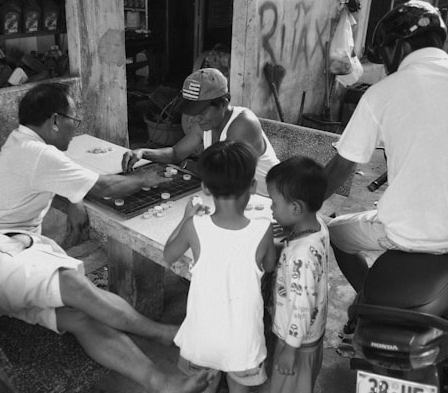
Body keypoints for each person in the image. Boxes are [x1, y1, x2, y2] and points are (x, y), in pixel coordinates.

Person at [0, 82, 213, 393]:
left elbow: (59, 178)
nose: (75, 128)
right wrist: (146, 179)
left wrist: (75, 200)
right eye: (74, 119)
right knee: (72, 282)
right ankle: (165, 334)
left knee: (80, 317)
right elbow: (107, 186)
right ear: (55, 120)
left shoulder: (23, 146)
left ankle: (162, 383)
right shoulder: (36, 153)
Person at [323, 0, 448, 296]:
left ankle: (367, 302)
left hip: (411, 235)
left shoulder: (380, 95)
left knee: (336, 233)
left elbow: (341, 167)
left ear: (397, 48)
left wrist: (302, 207)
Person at [163, 140, 277, 393]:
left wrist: (185, 219)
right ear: (253, 186)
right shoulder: (263, 229)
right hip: (243, 343)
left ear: (205, 187)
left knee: (204, 387)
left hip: (202, 339)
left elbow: (169, 254)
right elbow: (269, 266)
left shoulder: (196, 227)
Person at [122, 68, 280, 196]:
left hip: (267, 200)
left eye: (202, 111)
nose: (196, 118)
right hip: (235, 199)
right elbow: (176, 153)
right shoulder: (204, 122)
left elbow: (225, 178)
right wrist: (142, 152)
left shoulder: (242, 124)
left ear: (224, 103)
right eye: (193, 111)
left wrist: (187, 165)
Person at [265, 156, 330, 393]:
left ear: (295, 209)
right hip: (312, 335)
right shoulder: (318, 226)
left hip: (297, 343)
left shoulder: (301, 256)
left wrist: (289, 349)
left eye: (273, 203)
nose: (271, 208)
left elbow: (302, 305)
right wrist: (289, 229)